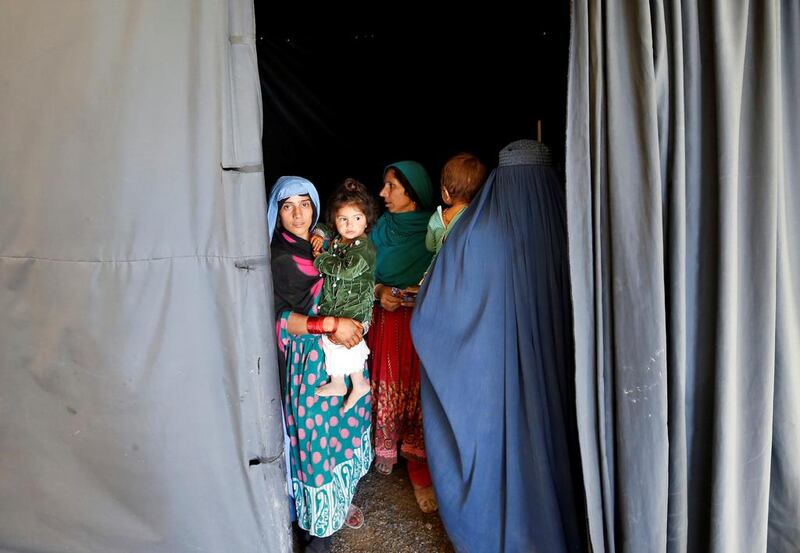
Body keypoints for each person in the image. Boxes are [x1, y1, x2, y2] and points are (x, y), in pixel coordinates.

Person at [411, 140, 587, 552]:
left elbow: (433, 314)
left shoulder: (475, 236)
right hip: (564, 378)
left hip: (493, 386)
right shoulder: (576, 230)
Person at [268, 176, 373, 550]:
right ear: (276, 213)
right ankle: (315, 534)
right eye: (287, 206)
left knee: (341, 432)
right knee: (313, 445)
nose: (298, 214)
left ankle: (337, 504)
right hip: (308, 361)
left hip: (340, 356)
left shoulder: (326, 241)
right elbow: (278, 317)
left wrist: (352, 324)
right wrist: (330, 324)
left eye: (305, 204)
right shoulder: (278, 258)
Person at [368, 160, 438, 513]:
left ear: (413, 194)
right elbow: (359, 270)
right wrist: (380, 289)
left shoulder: (435, 231)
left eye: (391, 186)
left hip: (421, 326)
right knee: (383, 386)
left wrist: (421, 289)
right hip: (383, 325)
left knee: (418, 393)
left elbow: (453, 274)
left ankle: (419, 469)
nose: (383, 194)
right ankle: (382, 451)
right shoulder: (379, 228)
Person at [310, 178, 378, 412]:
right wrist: (319, 232)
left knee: (347, 343)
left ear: (367, 220)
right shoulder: (339, 238)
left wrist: (321, 259)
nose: (350, 225)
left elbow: (347, 270)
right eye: (343, 219)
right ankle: (343, 383)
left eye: (357, 218)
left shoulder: (363, 247)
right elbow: (325, 227)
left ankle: (357, 384)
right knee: (331, 341)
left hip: (355, 309)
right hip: (338, 308)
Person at [422, 153, 487, 280]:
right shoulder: (475, 216)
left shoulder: (436, 218)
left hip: (436, 276)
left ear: (445, 193)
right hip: (464, 276)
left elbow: (430, 246)